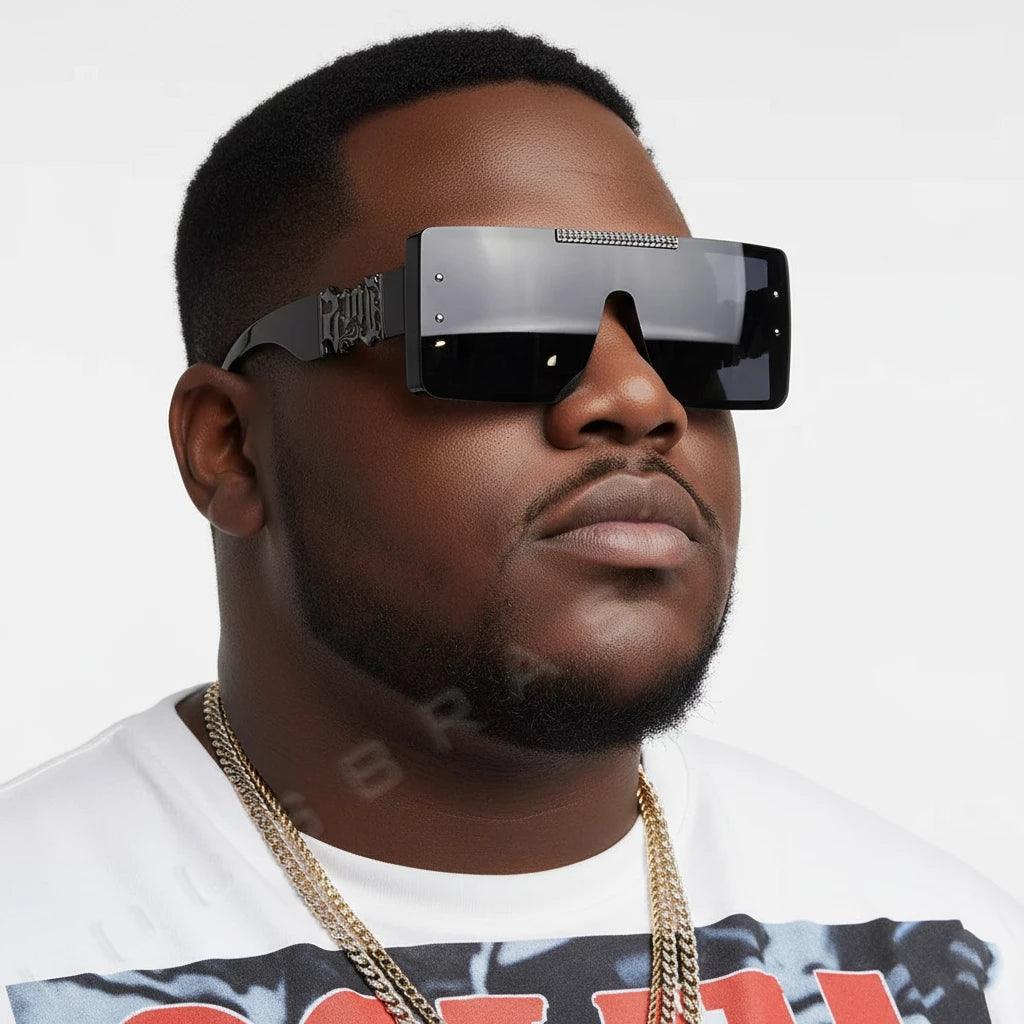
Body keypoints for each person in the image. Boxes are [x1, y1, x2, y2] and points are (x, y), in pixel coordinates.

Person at [0, 25, 1019, 1024]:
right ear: (230, 446)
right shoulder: (34, 940)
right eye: (501, 319)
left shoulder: (955, 949)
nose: (640, 396)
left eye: (695, 325)